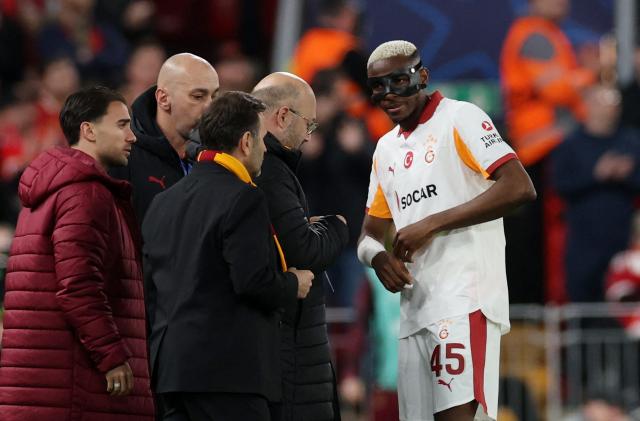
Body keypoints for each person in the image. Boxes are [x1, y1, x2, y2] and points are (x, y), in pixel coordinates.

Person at [357, 40, 536, 421]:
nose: (388, 94)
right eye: (377, 86)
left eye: (398, 81)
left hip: (464, 299)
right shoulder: (385, 149)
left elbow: (520, 187)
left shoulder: (460, 117)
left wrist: (431, 224)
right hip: (414, 309)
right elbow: (368, 234)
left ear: (422, 76)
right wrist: (378, 257)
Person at [141, 91, 314, 421]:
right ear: (246, 142)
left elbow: (151, 289)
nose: (265, 149)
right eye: (261, 140)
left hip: (171, 374)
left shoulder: (163, 201)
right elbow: (253, 282)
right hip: (228, 375)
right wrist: (294, 283)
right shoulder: (243, 198)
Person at [0, 86, 154, 420]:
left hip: (48, 385)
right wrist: (112, 355)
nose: (132, 136)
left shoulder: (52, 191)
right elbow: (78, 285)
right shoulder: (85, 193)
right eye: (122, 125)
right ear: (88, 130)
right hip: (75, 387)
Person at [252, 72, 349, 421]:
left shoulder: (268, 168)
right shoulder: (271, 172)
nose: (309, 136)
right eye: (309, 124)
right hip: (290, 354)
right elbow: (303, 250)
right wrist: (337, 227)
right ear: (283, 116)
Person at [500, 0, 597, 303]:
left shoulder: (547, 33)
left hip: (546, 150)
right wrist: (590, 73)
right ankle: (544, 312)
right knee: (543, 243)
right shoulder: (535, 35)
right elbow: (554, 89)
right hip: (541, 151)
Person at [552, 85, 640, 302]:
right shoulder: (570, 144)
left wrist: (626, 174)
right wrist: (596, 174)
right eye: (602, 103)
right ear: (588, 106)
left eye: (614, 104)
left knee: (622, 299)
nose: (608, 110)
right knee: (583, 298)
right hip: (583, 239)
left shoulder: (631, 142)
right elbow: (560, 184)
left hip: (623, 237)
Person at [109, 52, 219, 223]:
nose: (210, 107)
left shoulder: (218, 157)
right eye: (198, 97)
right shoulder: (122, 156)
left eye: (215, 97)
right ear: (163, 99)